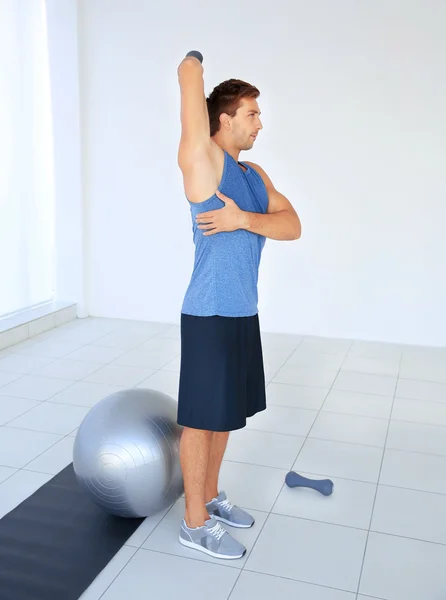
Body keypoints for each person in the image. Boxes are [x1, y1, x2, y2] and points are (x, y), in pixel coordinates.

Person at [176, 51, 301, 560]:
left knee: (224, 416)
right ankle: (193, 523)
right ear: (224, 118)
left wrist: (243, 220)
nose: (259, 123)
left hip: (241, 313)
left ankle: (208, 497)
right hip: (207, 312)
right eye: (251, 113)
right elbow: (189, 88)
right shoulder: (204, 161)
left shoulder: (253, 173)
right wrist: (193, 62)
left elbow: (292, 225)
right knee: (201, 420)